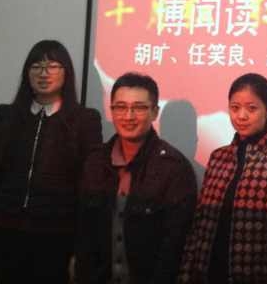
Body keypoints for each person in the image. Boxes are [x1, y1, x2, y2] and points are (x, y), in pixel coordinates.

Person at [0, 39, 102, 283]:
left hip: (56, 238)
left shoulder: (85, 120)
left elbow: (88, 190)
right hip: (5, 234)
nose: (44, 73)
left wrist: (81, 250)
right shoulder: (6, 115)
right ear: (27, 73)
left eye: (53, 66)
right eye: (36, 66)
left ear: (67, 72)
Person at [178, 73, 267, 284]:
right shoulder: (218, 157)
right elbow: (199, 225)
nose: (241, 116)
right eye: (235, 108)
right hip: (206, 273)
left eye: (252, 108)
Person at [76, 72, 197, 284]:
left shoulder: (174, 168)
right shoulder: (95, 161)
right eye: (120, 107)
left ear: (154, 112)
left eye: (139, 108)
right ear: (111, 110)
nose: (128, 116)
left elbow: (175, 245)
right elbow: (84, 232)